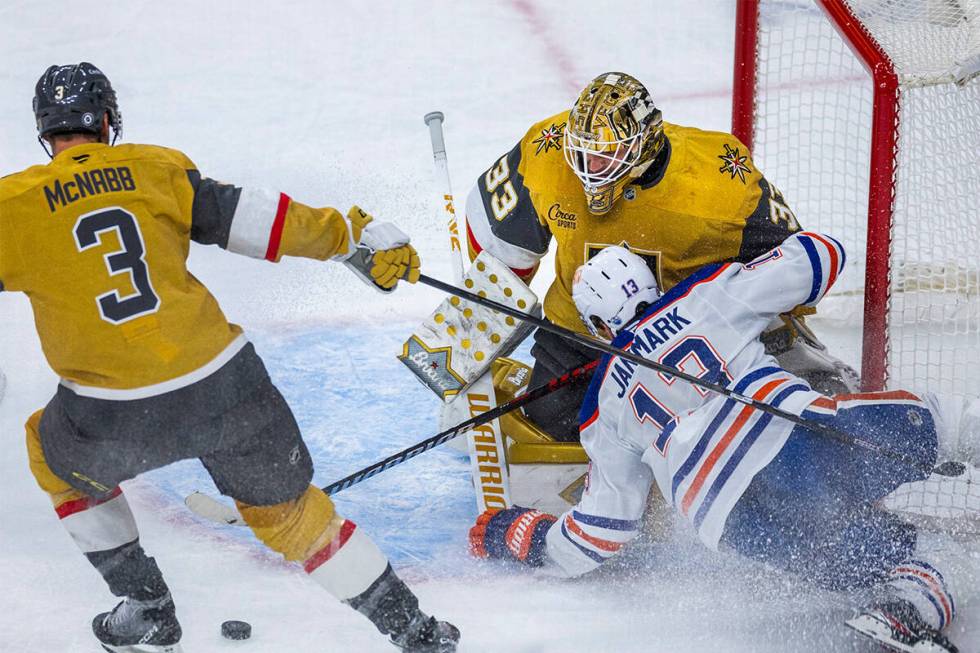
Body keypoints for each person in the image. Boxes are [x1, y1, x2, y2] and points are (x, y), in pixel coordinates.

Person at [0, 62, 459, 653]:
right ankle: (416, 632)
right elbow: (261, 220)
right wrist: (349, 240)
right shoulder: (155, 167)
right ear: (109, 120)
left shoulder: (12, 206)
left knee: (49, 452)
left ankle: (148, 608)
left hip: (109, 414)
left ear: (46, 133)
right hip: (224, 384)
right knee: (293, 516)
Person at [469, 234, 980, 652]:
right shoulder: (706, 293)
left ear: (599, 326)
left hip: (736, 523)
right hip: (803, 445)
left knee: (897, 558)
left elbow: (597, 538)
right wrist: (755, 264)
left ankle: (903, 610)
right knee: (941, 421)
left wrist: (514, 534)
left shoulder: (601, 409)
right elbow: (826, 254)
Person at [463, 71, 857, 444]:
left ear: (645, 143)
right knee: (556, 420)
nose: (589, 169)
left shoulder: (719, 180)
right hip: (580, 335)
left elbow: (787, 267)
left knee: (780, 419)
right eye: (582, 153)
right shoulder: (546, 151)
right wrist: (468, 342)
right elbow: (498, 246)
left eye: (606, 155)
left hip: (698, 340)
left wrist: (763, 334)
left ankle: (806, 363)